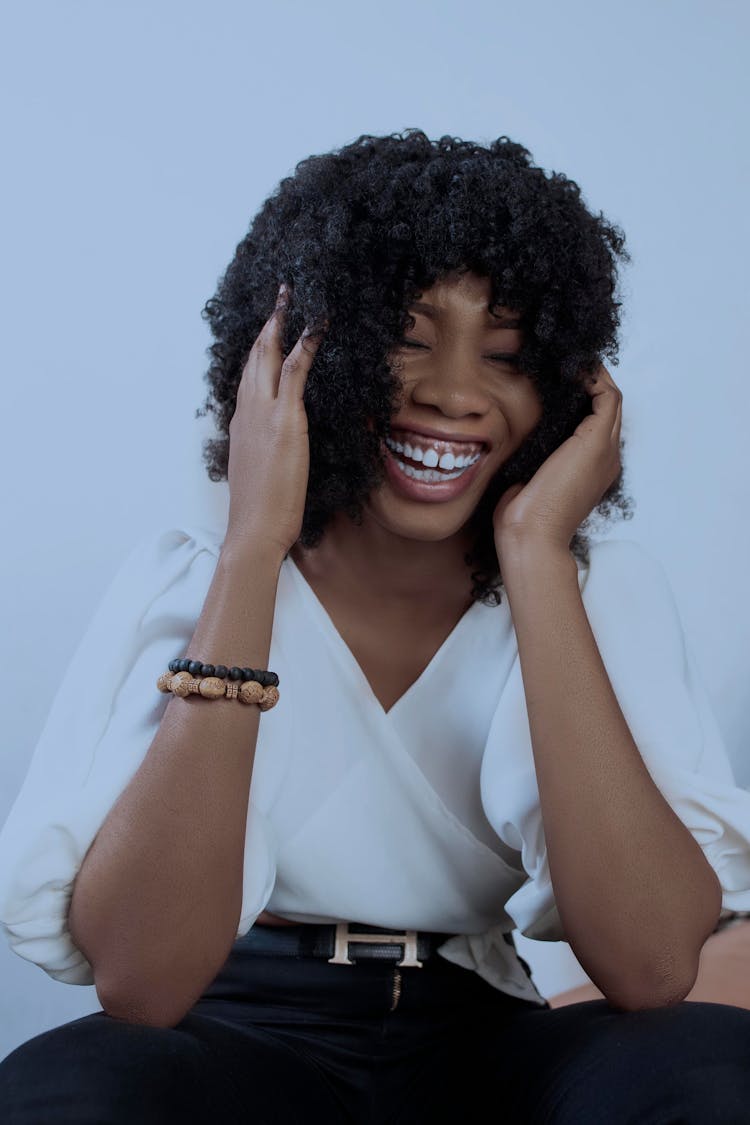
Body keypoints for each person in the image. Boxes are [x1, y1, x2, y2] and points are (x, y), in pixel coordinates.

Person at [1, 128, 749, 1123]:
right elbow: (141, 985)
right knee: (70, 1093)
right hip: (241, 1033)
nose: (452, 391)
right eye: (404, 337)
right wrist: (253, 550)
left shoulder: (597, 589)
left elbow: (654, 968)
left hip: (484, 1034)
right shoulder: (189, 578)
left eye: (508, 354)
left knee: (703, 1063)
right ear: (298, 352)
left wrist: (536, 560)